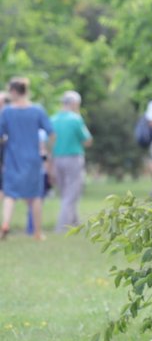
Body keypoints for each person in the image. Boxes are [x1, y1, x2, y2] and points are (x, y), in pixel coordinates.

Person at [0, 77, 55, 240]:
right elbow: (51, 133)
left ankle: (5, 224)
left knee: (10, 194)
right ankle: (37, 232)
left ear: (15, 92)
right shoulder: (37, 110)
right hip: (33, 158)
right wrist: (47, 150)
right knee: (35, 195)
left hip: (13, 157)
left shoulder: (7, 111)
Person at [49, 91, 93, 232]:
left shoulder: (52, 119)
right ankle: (62, 228)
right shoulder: (76, 119)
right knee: (71, 194)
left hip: (56, 159)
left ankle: (75, 224)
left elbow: (47, 143)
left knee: (65, 194)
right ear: (74, 104)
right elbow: (88, 141)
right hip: (73, 158)